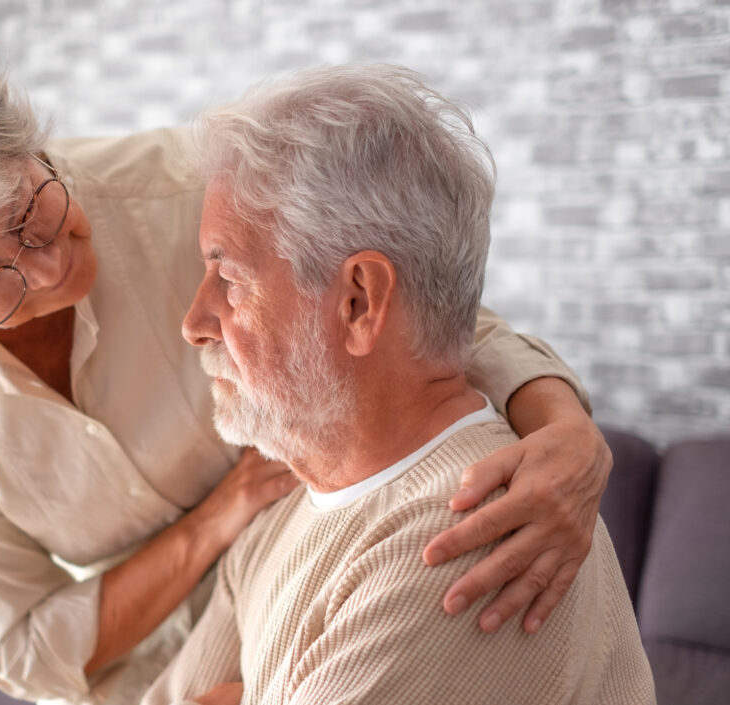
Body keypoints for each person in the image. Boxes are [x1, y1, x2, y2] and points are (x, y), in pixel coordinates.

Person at [0, 51, 613, 704]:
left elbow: (415, 314)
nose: (51, 263)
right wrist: (223, 516)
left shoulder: (189, 193)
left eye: (28, 210)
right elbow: (24, 651)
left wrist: (565, 430)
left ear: (18, 142)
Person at [143, 63, 654, 705]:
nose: (194, 323)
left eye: (231, 279)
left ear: (359, 301)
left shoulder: (468, 536)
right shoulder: (285, 511)